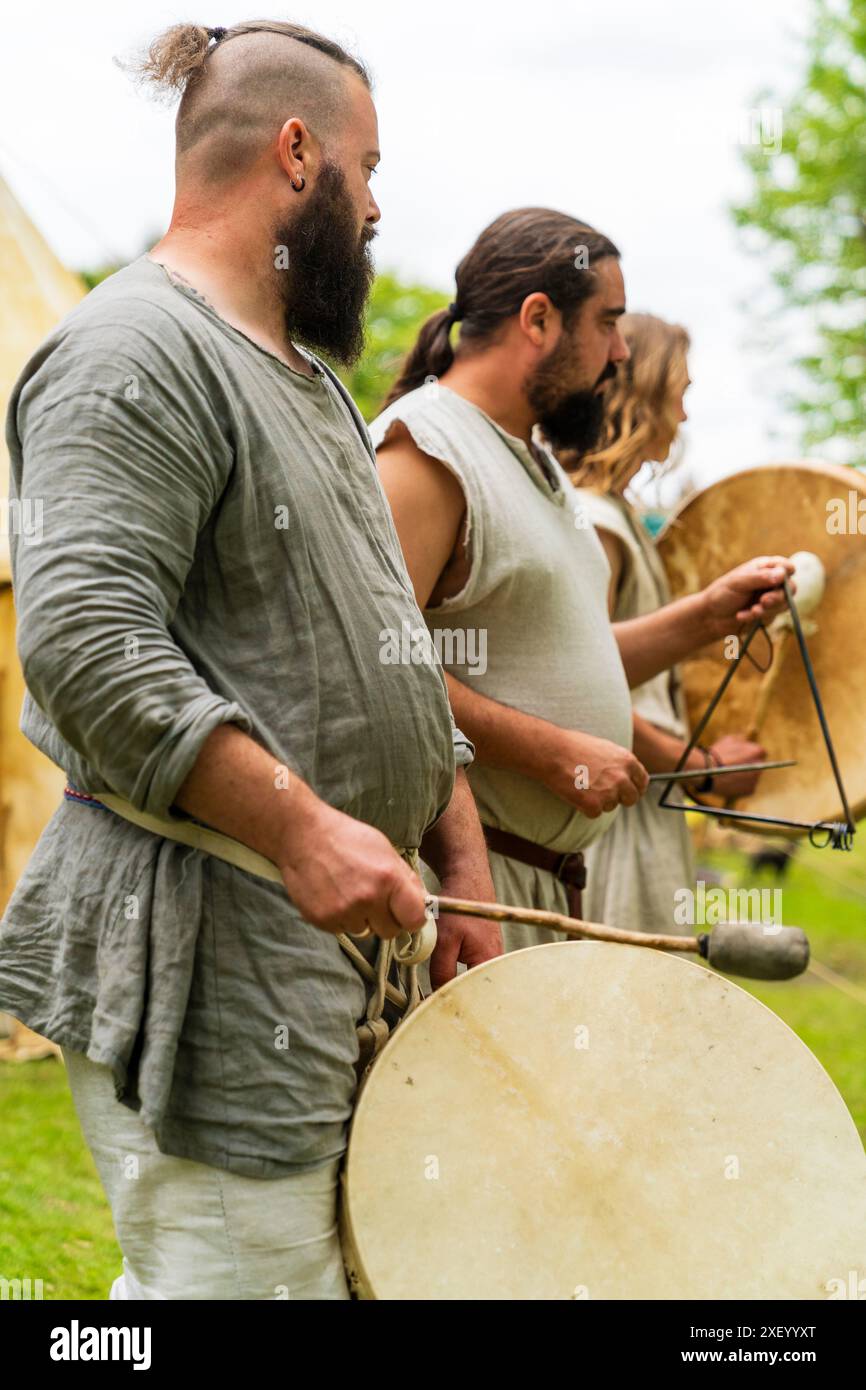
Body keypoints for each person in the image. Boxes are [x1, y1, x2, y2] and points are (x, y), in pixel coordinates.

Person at [0, 19, 498, 1301]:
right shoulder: (132, 352)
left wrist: (457, 847)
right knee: (233, 1291)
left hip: (335, 949)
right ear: (296, 153)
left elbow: (382, 636)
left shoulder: (314, 384)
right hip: (213, 942)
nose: (379, 208)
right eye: (367, 168)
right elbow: (84, 642)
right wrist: (301, 832)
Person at [371, 209, 793, 949]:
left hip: (540, 885)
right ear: (539, 319)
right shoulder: (428, 450)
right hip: (466, 888)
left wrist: (706, 617)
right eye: (608, 323)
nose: (622, 352)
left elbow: (567, 659)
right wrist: (552, 752)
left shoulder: (531, 461)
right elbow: (376, 667)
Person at [561, 312, 767, 933]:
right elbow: (579, 688)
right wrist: (703, 764)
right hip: (616, 814)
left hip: (644, 803)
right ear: (642, 393)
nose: (683, 415)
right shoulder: (593, 520)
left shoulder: (615, 513)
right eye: (679, 392)